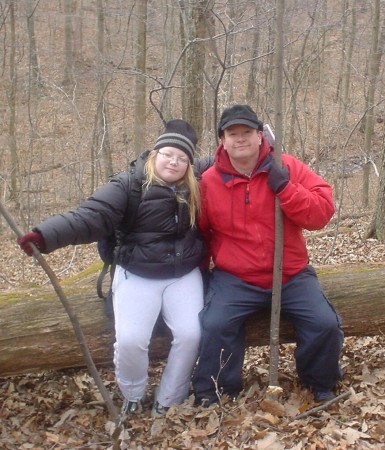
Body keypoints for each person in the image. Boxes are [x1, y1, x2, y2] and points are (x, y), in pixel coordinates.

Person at [17, 119, 208, 419]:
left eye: (182, 158)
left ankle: (170, 397)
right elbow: (91, 216)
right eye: (169, 153)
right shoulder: (128, 185)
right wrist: (45, 236)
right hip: (137, 273)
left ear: (189, 165)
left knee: (191, 334)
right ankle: (132, 392)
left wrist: (256, 137)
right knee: (132, 340)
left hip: (183, 274)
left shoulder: (194, 183)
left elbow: (225, 156)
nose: (174, 161)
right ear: (155, 153)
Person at [192, 104, 344, 406]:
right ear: (222, 140)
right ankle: (216, 390)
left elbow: (321, 213)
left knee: (324, 323)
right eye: (232, 133)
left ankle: (320, 382)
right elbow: (202, 233)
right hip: (235, 277)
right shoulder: (209, 181)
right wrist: (198, 277)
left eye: (246, 132)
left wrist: (286, 188)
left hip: (290, 273)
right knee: (215, 324)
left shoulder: (286, 166)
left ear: (261, 135)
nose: (240, 139)